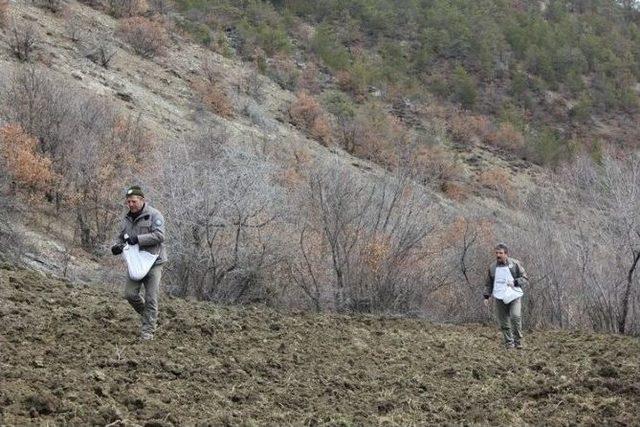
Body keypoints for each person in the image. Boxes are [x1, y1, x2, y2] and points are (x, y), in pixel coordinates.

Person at [111, 186, 167, 341]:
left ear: (142, 200)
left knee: (151, 297)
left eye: (133, 201)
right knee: (130, 294)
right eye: (128, 202)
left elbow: (160, 236)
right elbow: (122, 237)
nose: (130, 205)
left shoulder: (155, 215)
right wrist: (117, 247)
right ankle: (149, 316)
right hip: (136, 261)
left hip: (154, 260)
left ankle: (148, 331)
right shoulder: (127, 218)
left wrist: (139, 239)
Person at [483, 243, 529, 349]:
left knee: (515, 316)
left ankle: (518, 341)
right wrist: (486, 296)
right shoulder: (492, 267)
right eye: (496, 253)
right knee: (503, 321)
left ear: (506, 254)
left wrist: (516, 282)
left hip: (514, 295)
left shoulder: (515, 264)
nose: (498, 255)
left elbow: (525, 279)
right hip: (499, 296)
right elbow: (489, 283)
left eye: (501, 253)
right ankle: (509, 343)